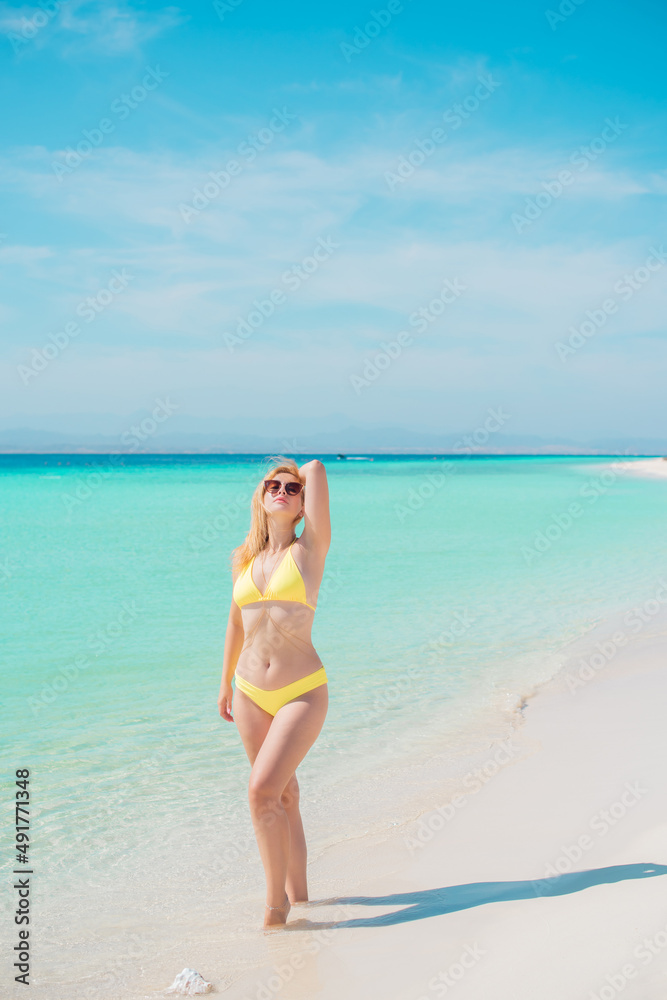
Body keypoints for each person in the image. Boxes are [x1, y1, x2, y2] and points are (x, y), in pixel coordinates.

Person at [218, 456, 331, 929]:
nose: (280, 490)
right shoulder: (244, 558)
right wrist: (224, 684)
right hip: (248, 692)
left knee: (261, 792)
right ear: (259, 498)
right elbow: (234, 621)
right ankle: (302, 899)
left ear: (304, 504)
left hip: (301, 691)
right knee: (283, 796)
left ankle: (274, 907)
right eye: (271, 485)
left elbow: (318, 467)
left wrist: (297, 473)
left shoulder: (311, 549)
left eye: (290, 488)